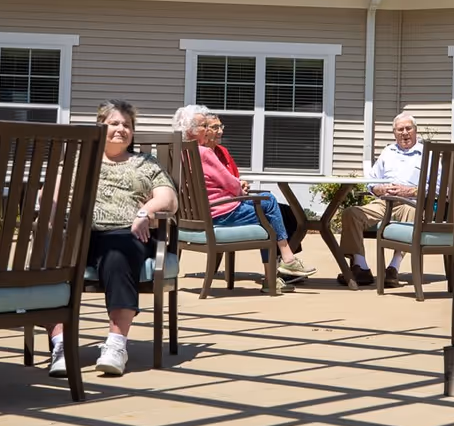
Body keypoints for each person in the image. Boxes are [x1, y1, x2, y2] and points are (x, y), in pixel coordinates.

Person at [48, 100, 178, 378]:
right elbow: (53, 197)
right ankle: (60, 345)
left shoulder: (145, 163)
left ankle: (116, 345)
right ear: (100, 127)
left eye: (127, 125)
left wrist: (146, 211)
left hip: (126, 232)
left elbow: (169, 198)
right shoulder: (80, 160)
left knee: (117, 255)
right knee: (51, 255)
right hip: (79, 232)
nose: (121, 129)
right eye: (114, 123)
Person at [186, 109, 314, 285]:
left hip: (205, 211)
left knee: (282, 211)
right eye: (210, 127)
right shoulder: (205, 153)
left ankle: (281, 269)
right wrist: (238, 188)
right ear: (196, 130)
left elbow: (232, 179)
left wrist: (239, 185)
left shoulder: (183, 151)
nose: (218, 131)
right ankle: (283, 266)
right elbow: (231, 184)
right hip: (220, 211)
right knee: (268, 207)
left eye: (218, 126)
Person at [339, 113, 424, 287]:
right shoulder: (388, 152)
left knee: (413, 213)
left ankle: (393, 268)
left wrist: (410, 191)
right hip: (384, 201)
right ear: (394, 133)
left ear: (415, 131)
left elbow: (439, 188)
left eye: (408, 128)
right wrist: (377, 188)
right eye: (400, 129)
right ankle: (361, 267)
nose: (405, 133)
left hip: (410, 202)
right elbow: (371, 180)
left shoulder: (425, 154)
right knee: (351, 213)